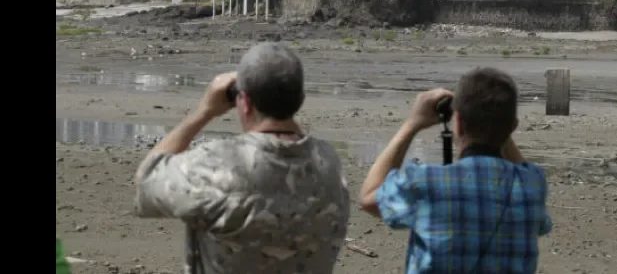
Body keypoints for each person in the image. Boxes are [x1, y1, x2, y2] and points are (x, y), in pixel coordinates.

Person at [134, 43, 350, 274]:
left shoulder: (218, 164)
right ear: (301, 99)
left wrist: (204, 112)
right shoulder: (329, 165)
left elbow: (147, 182)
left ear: (244, 102)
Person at [359, 67, 553, 274]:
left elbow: (369, 197)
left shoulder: (426, 182)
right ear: (513, 127)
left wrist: (412, 124)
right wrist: (499, 127)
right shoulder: (531, 185)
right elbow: (540, 218)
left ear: (458, 124)